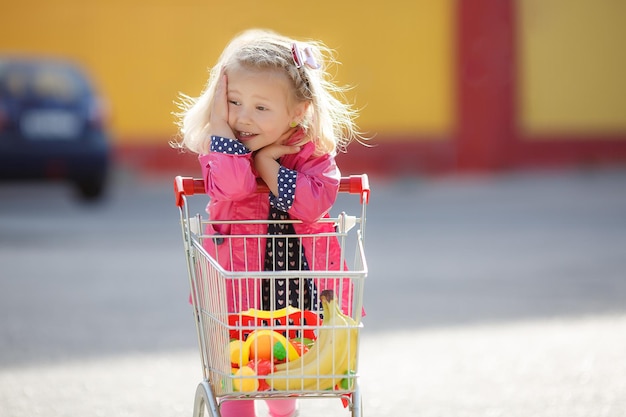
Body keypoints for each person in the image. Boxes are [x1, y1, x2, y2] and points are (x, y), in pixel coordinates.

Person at [174, 28, 361, 417]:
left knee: (286, 370)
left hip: (300, 287)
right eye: (234, 102)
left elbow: (312, 204)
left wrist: (268, 165)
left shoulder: (312, 153)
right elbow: (232, 187)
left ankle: (285, 410)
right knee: (237, 378)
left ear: (298, 111)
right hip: (235, 289)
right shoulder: (223, 149)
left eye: (261, 108)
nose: (244, 117)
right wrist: (223, 131)